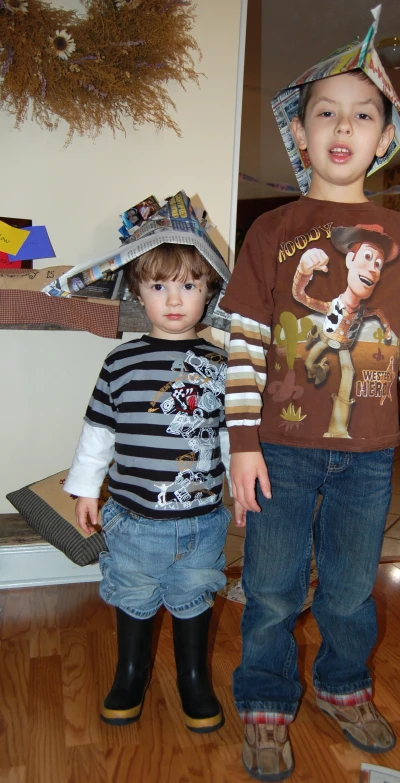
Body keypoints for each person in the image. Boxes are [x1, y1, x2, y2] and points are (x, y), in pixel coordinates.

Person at [220, 24, 400, 782]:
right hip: (278, 447)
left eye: (362, 113)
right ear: (297, 130)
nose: (343, 125)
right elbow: (247, 340)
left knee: (350, 591)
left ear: (385, 137)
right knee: (273, 588)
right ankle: (263, 699)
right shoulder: (270, 231)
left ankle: (344, 687)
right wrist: (242, 439)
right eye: (325, 111)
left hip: (368, 454)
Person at [64, 242, 244, 733]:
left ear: (208, 293)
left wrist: (241, 486)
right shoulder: (119, 363)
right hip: (133, 519)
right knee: (133, 593)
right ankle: (132, 672)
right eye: (158, 286)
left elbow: (232, 436)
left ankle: (193, 678)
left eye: (189, 285)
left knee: (195, 593)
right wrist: (85, 490)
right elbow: (98, 433)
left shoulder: (222, 363)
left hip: (203, 520)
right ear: (138, 294)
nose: (173, 299)